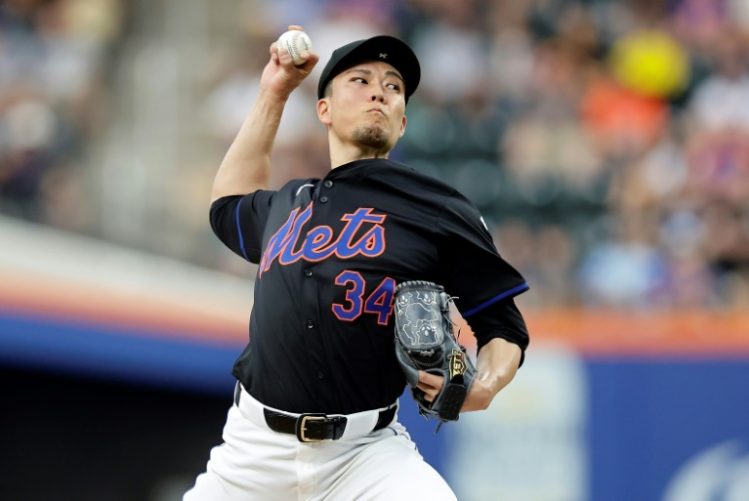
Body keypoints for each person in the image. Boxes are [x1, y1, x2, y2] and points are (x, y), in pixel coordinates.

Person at [184, 25, 530, 500]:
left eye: (393, 87)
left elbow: (504, 328)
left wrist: (486, 385)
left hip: (365, 455)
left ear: (403, 121)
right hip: (251, 454)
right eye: (361, 81)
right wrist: (275, 91)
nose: (379, 93)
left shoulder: (439, 208)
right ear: (323, 109)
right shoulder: (289, 203)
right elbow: (229, 204)